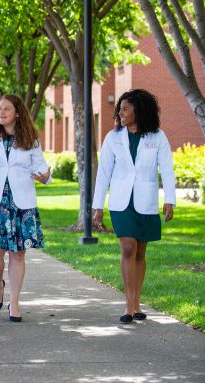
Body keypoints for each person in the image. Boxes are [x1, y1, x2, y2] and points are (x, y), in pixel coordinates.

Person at [93, 89, 175, 323]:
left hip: (146, 200)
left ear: (139, 110)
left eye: (125, 108)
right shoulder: (113, 137)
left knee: (140, 251)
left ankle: (137, 302)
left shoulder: (157, 137)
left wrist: (170, 199)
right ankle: (128, 305)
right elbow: (104, 172)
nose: (120, 112)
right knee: (128, 247)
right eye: (120, 108)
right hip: (121, 201)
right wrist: (98, 205)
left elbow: (167, 169)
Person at [0, 94, 51, 322]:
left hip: (21, 203)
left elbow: (40, 166)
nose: (1, 112)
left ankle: (14, 303)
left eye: (7, 109)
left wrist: (45, 177)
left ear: (17, 113)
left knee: (18, 254)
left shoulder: (30, 138)